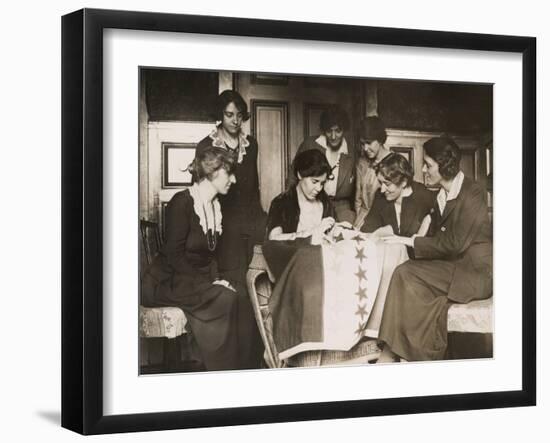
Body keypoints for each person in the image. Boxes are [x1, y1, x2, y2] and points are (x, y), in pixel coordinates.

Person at [377, 136, 493, 362]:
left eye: (428, 164)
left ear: (445, 166)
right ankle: (403, 352)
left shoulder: (473, 192)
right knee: (407, 272)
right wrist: (423, 228)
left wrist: (410, 241)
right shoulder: (440, 196)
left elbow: (455, 243)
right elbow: (439, 240)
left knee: (405, 273)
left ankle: (392, 354)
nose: (423, 169)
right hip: (455, 267)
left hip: (476, 273)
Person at [141, 147, 245, 371]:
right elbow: (173, 256)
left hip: (189, 280)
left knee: (236, 292)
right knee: (226, 298)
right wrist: (208, 284)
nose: (234, 180)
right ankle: (221, 371)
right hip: (165, 281)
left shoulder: (214, 206)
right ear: (212, 173)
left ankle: (230, 372)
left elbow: (209, 257)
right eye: (230, 173)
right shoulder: (183, 202)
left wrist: (217, 279)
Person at [195, 90, 265, 368]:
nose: (235, 120)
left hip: (252, 221)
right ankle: (235, 363)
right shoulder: (206, 144)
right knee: (238, 289)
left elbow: (255, 187)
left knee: (258, 284)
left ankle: (257, 359)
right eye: (228, 114)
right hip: (223, 227)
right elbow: (202, 191)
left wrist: (262, 221)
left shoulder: (252, 144)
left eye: (239, 115)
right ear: (220, 115)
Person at [288, 105, 356, 224]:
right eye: (329, 131)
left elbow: (356, 190)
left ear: (344, 130)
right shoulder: (310, 144)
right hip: (312, 204)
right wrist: (292, 205)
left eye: (338, 131)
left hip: (342, 209)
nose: (333, 136)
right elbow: (293, 176)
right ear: (324, 130)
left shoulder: (352, 151)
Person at [361, 153, 435, 250]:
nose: (382, 189)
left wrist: (428, 219)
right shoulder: (380, 196)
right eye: (380, 183)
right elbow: (368, 229)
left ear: (403, 182)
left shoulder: (423, 195)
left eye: (387, 184)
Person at [354, 116, 394, 230]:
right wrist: (359, 221)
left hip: (385, 223)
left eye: (369, 143)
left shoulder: (394, 162)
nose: (365, 148)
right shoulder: (361, 163)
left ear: (380, 140)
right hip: (362, 220)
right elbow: (358, 199)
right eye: (362, 144)